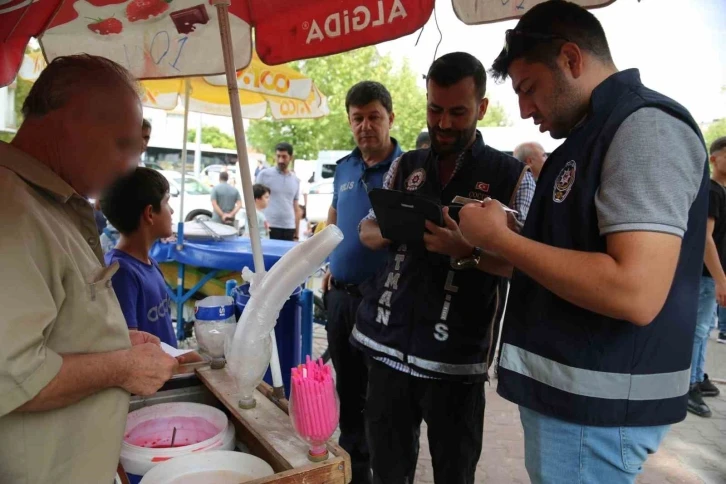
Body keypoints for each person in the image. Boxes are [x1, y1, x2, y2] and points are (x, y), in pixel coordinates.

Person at [458, 2, 709, 482]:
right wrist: (486, 244)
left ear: (571, 59)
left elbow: (633, 291)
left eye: (529, 89)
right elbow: (564, 262)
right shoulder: (589, 135)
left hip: (596, 411)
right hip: (577, 402)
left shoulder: (644, 128)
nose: (525, 109)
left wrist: (502, 240)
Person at [353, 53, 535, 484]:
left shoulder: (513, 176)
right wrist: (394, 228)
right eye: (435, 110)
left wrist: (467, 251)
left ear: (482, 108)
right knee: (387, 473)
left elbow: (529, 266)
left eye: (458, 112)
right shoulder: (407, 165)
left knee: (455, 474)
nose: (444, 123)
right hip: (386, 348)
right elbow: (367, 230)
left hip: (455, 365)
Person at [0, 54, 178, 483]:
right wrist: (122, 366)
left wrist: (112, 342)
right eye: (123, 146)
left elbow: (52, 330)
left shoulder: (49, 201)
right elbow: (11, 373)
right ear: (71, 121)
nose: (128, 167)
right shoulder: (11, 208)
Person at [322, 80, 403, 484]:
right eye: (358, 118)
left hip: (385, 303)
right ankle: (356, 475)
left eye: (374, 117)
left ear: (391, 118)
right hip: (340, 299)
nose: (365, 126)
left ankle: (386, 472)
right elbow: (334, 217)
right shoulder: (344, 167)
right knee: (349, 392)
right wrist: (327, 263)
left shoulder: (409, 170)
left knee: (383, 398)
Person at [688, 137, 726, 418]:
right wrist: (720, 278)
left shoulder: (721, 191)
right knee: (699, 331)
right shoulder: (712, 191)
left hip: (712, 276)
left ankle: (698, 376)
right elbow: (705, 237)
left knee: (703, 329)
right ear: (713, 159)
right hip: (705, 276)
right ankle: (687, 386)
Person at [256, 142, 301, 241]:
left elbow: (296, 208)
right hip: (268, 225)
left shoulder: (295, 180)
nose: (281, 160)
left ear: (291, 157)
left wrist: (296, 234)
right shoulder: (264, 175)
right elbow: (254, 200)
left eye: (284, 157)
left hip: (289, 227)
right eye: (278, 156)